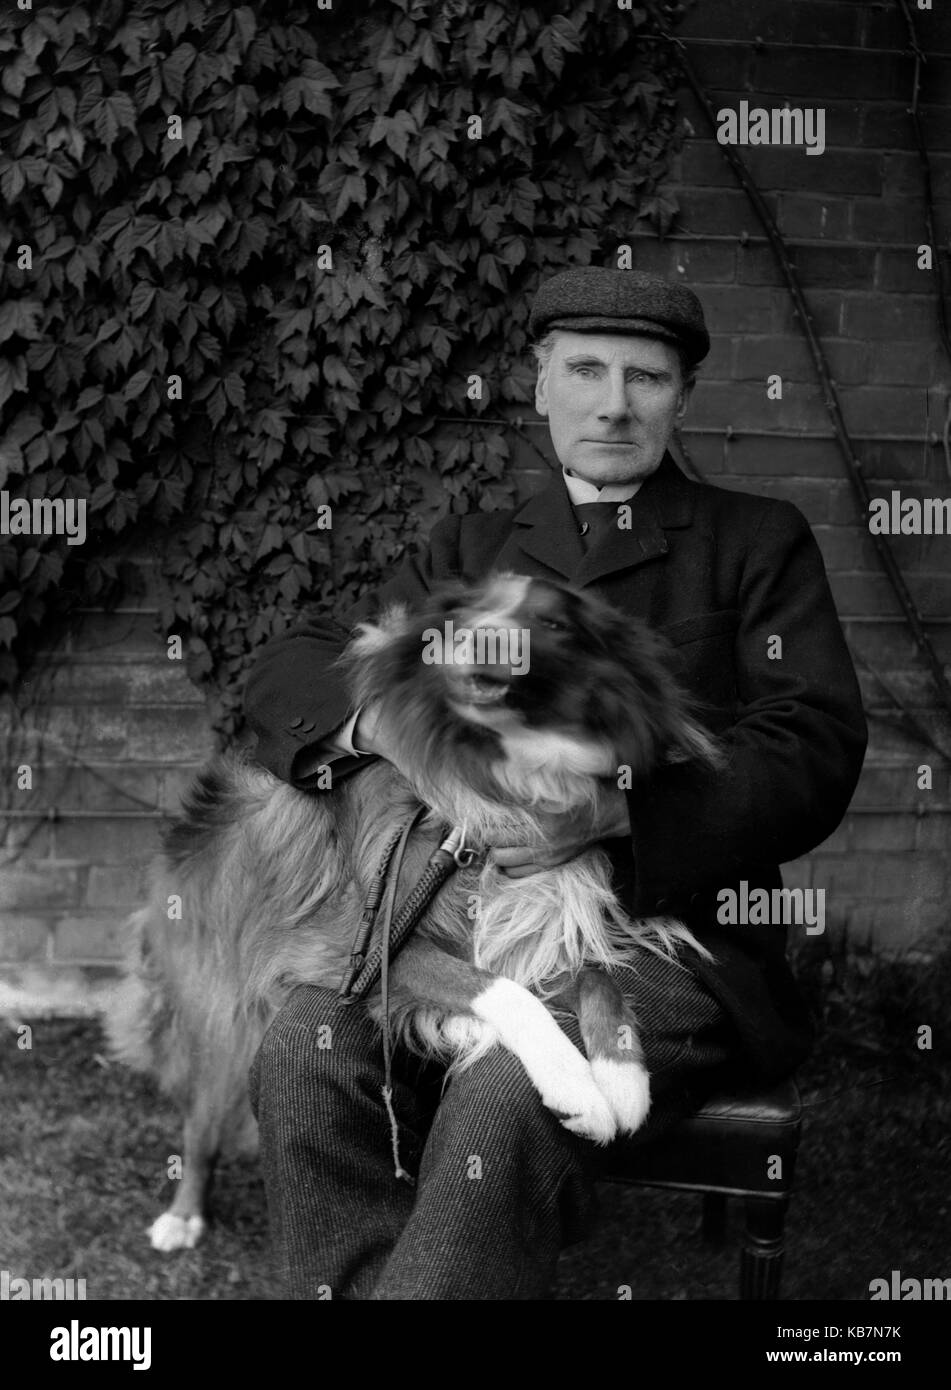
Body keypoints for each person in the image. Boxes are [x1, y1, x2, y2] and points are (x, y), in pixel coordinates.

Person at [243, 267, 867, 1300]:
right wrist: (391, 734)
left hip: (658, 934)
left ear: (682, 396)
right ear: (539, 386)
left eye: (645, 377)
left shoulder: (757, 542)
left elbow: (813, 747)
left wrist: (620, 805)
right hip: (455, 934)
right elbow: (298, 665)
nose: (614, 402)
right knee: (303, 1048)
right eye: (585, 369)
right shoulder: (470, 547)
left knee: (502, 1090)